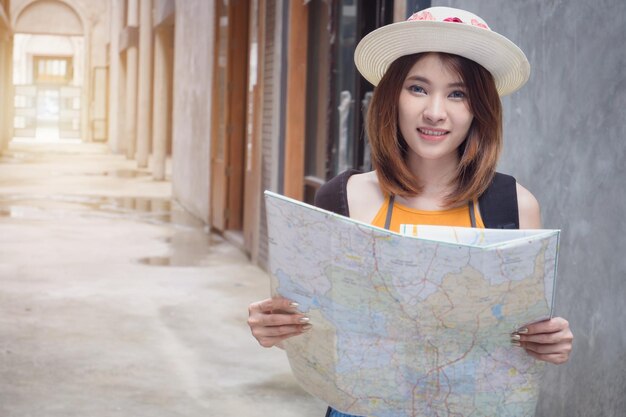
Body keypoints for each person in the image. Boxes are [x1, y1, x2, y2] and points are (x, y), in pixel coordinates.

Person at [247, 6, 573, 417]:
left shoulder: (514, 206)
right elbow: (313, 323)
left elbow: (520, 335)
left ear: (479, 109)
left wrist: (548, 342)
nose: (435, 111)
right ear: (392, 97)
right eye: (418, 88)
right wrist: (274, 326)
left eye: (458, 94)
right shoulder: (340, 198)